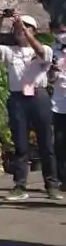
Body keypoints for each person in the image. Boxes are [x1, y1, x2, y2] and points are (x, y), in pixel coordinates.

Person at [0, 12, 59, 200]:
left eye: (26, 27)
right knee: (20, 144)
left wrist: (25, 30)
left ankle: (51, 184)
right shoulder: (10, 51)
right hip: (18, 98)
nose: (21, 30)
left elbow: (41, 54)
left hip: (39, 96)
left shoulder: (44, 48)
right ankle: (20, 186)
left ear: (34, 31)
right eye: (18, 28)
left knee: (46, 142)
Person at [51, 24, 66, 189]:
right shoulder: (53, 51)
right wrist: (53, 71)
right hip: (59, 103)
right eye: (59, 32)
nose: (61, 35)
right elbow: (51, 79)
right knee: (60, 142)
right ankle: (63, 178)